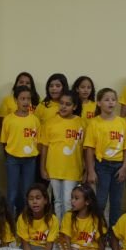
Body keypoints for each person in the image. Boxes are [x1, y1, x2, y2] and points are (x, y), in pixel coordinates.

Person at [84, 88, 126, 228]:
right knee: (100, 200)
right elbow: (89, 148)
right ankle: (99, 229)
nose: (110, 102)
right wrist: (91, 170)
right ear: (99, 103)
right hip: (102, 166)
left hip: (119, 166)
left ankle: (114, 232)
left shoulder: (121, 122)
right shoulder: (94, 123)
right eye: (106, 99)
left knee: (116, 201)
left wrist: (125, 166)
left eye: (113, 99)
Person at [39, 91, 85, 220]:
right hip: (54, 168)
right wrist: (42, 168)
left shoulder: (81, 123)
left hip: (73, 169)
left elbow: (85, 148)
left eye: (68, 104)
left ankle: (68, 229)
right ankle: (59, 230)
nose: (63, 107)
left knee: (68, 201)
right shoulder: (50, 123)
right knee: (57, 201)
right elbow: (44, 147)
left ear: (74, 107)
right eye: (61, 103)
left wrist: (87, 168)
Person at [0, 86, 41, 215]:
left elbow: (38, 141)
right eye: (22, 98)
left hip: (30, 160)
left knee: (27, 192)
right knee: (12, 192)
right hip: (13, 159)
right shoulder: (8, 119)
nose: (25, 102)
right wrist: (10, 155)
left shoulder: (34, 120)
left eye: (28, 99)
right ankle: (10, 223)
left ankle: (24, 222)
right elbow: (4, 141)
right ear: (16, 100)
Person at [15, 184, 59, 250]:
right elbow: (25, 243)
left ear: (45, 200)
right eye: (31, 199)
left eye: (38, 198)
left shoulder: (53, 219)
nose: (34, 201)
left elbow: (49, 244)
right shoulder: (23, 218)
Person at [59, 184, 107, 250]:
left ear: (87, 202)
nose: (72, 201)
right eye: (72, 197)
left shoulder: (96, 218)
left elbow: (101, 243)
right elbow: (66, 240)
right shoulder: (68, 216)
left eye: (76, 198)